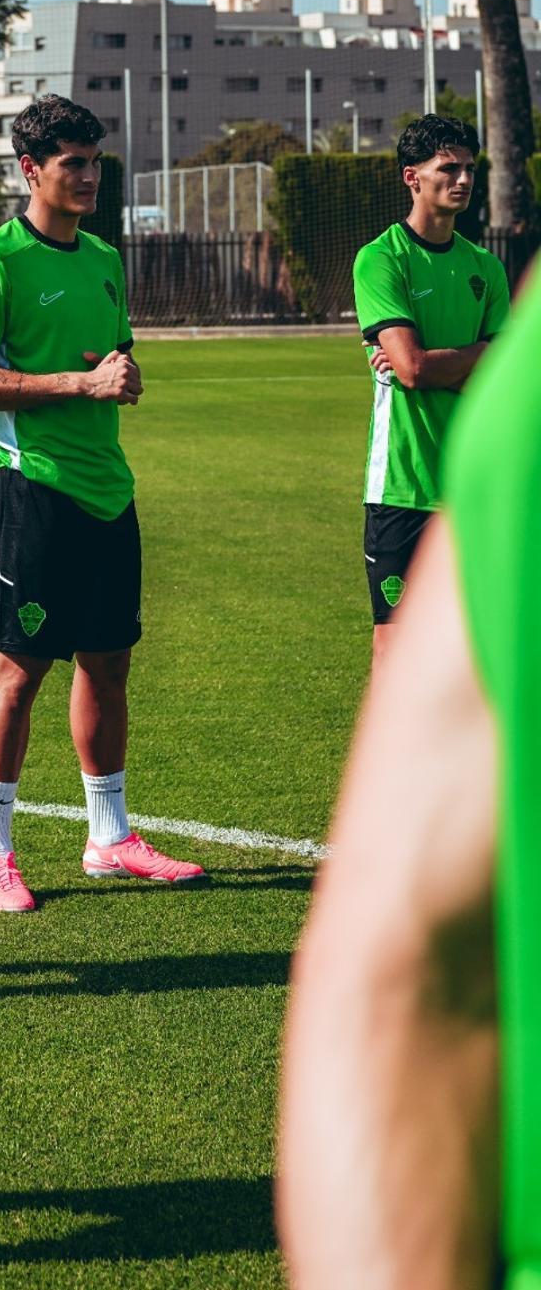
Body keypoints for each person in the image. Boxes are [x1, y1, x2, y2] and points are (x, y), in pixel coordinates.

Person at [278, 264, 541, 1288]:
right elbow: (403, 975)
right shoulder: (523, 390)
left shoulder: (496, 303)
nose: (461, 180)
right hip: (401, 492)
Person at [0, 94, 204, 912]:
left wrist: (119, 373)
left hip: (107, 491)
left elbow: (111, 354)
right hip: (35, 492)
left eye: (95, 161)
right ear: (32, 169)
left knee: (108, 661)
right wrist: (78, 382)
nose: (90, 176)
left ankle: (110, 837)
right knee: (17, 673)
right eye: (73, 163)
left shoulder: (102, 257)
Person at [353, 113, 508, 663]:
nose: (464, 179)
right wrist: (482, 358)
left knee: (473, 646)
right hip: (402, 485)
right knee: (396, 647)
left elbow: (504, 382)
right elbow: (412, 369)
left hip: (474, 484)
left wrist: (469, 364)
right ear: (412, 177)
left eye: (469, 168)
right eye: (449, 168)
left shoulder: (485, 269)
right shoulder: (380, 259)